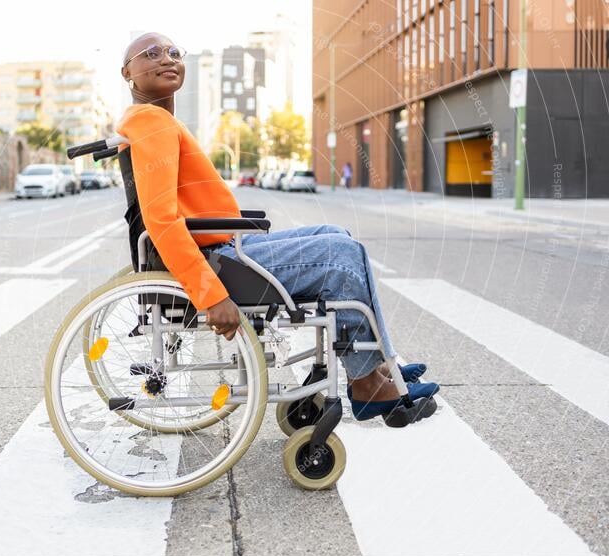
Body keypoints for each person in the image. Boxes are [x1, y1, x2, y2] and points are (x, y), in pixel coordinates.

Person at [117, 32, 439, 422]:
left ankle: (375, 367)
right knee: (342, 255)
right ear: (128, 73)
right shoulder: (152, 121)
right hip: (216, 258)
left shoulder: (153, 120)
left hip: (223, 244)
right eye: (151, 54)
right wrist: (211, 295)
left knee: (332, 235)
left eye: (172, 52)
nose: (166, 59)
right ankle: (368, 383)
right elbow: (161, 219)